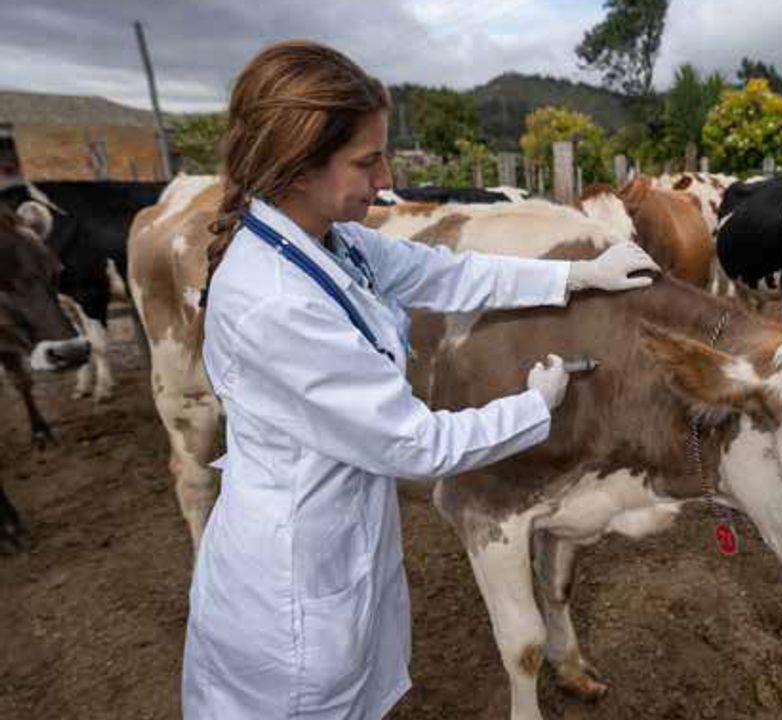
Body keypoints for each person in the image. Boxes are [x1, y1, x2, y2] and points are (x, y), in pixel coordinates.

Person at [181, 40, 659, 719]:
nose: (383, 180)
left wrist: (578, 275)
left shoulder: (328, 240)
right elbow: (415, 447)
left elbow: (449, 272)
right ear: (297, 166)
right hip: (291, 593)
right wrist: (534, 406)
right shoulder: (276, 301)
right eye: (366, 160)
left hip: (335, 538)